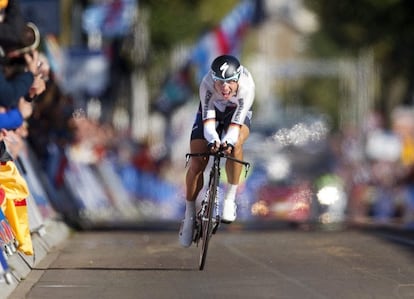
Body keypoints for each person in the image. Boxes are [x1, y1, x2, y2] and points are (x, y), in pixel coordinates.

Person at [179, 54, 255, 247]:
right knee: (197, 160)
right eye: (220, 83)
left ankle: (229, 198)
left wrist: (227, 142)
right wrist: (213, 140)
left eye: (230, 82)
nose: (225, 88)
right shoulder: (206, 84)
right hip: (212, 111)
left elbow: (236, 125)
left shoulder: (247, 87)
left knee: (235, 143)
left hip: (235, 114)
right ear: (213, 79)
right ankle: (189, 215)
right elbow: (208, 126)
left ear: (238, 78)